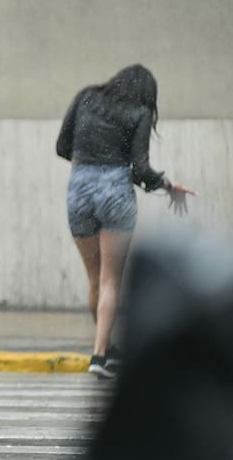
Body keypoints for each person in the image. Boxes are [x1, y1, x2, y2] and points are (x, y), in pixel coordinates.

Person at [56, 64, 194, 379]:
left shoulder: (86, 97)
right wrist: (168, 185)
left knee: (94, 280)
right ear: (147, 93)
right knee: (110, 281)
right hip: (115, 193)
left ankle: (107, 348)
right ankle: (99, 355)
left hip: (78, 189)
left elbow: (62, 147)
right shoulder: (140, 111)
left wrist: (89, 164)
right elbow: (141, 168)